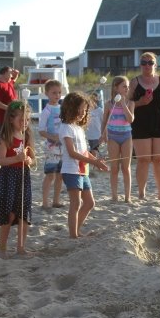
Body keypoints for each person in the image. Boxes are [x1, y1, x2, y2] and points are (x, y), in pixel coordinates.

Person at [59, 92, 108, 238]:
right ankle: (73, 235)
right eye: (80, 109)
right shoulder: (66, 127)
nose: (83, 112)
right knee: (75, 203)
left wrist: (97, 161)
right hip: (71, 170)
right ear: (70, 108)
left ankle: (77, 231)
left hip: (82, 170)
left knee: (89, 203)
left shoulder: (78, 128)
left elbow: (84, 151)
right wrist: (94, 161)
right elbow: (72, 153)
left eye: (85, 110)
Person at [128, 52, 160, 200]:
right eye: (144, 62)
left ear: (155, 64)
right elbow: (126, 105)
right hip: (140, 124)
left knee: (159, 159)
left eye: (150, 62)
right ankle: (141, 193)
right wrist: (141, 102)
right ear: (140, 64)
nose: (147, 65)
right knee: (144, 160)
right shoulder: (134, 82)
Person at [0, 100, 35, 258]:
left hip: (24, 174)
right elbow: (0, 161)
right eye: (21, 119)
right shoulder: (6, 137)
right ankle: (2, 247)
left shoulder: (27, 136)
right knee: (9, 212)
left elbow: (33, 159)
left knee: (24, 211)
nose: (24, 123)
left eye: (27, 120)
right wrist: (17, 158)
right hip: (8, 175)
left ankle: (21, 247)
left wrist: (28, 161)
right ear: (11, 119)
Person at [101, 76, 135, 202]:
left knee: (126, 168)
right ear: (116, 88)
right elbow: (104, 120)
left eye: (128, 86)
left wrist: (123, 104)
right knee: (114, 168)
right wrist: (102, 134)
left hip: (126, 136)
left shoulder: (130, 103)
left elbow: (130, 119)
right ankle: (114, 196)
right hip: (113, 137)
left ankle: (127, 197)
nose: (127, 88)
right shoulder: (109, 104)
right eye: (124, 86)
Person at [38, 80, 64, 209]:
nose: (57, 95)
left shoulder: (62, 108)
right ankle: (44, 202)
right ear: (47, 93)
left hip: (63, 147)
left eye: (59, 92)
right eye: (54, 93)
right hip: (51, 148)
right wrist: (51, 137)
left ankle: (56, 201)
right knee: (50, 175)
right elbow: (41, 131)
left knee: (60, 175)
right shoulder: (46, 111)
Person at [0, 66, 20, 174]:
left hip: (12, 117)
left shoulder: (9, 82)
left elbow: (14, 79)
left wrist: (15, 74)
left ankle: (9, 160)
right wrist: (8, 107)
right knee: (2, 140)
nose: (12, 74)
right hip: (2, 118)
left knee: (12, 138)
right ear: (3, 73)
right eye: (10, 72)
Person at [86, 91, 104, 158]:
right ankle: (95, 165)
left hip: (98, 136)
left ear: (95, 101)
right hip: (89, 136)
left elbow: (104, 123)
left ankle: (97, 165)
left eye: (90, 101)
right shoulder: (86, 111)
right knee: (92, 153)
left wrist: (103, 135)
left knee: (95, 152)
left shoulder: (100, 111)